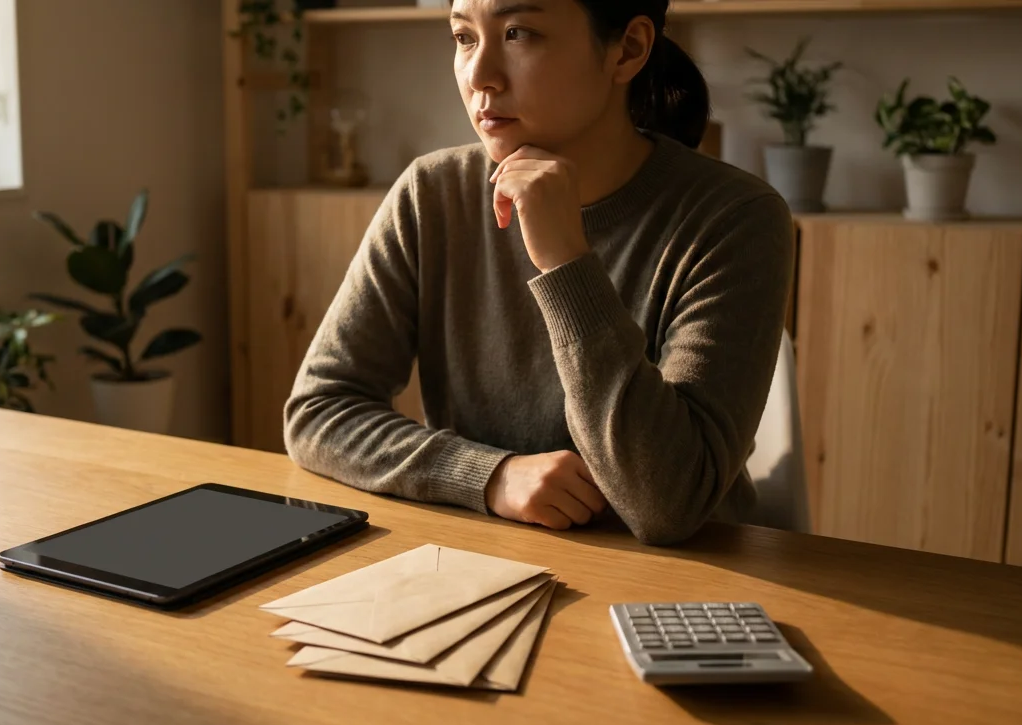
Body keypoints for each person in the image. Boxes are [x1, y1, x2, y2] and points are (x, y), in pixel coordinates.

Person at [283, 0, 794, 546]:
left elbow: (667, 504)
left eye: (518, 33)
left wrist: (566, 263)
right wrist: (490, 476)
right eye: (463, 38)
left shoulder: (735, 218)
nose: (479, 76)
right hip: (488, 562)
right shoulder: (432, 193)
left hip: (686, 587)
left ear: (629, 49)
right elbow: (320, 411)